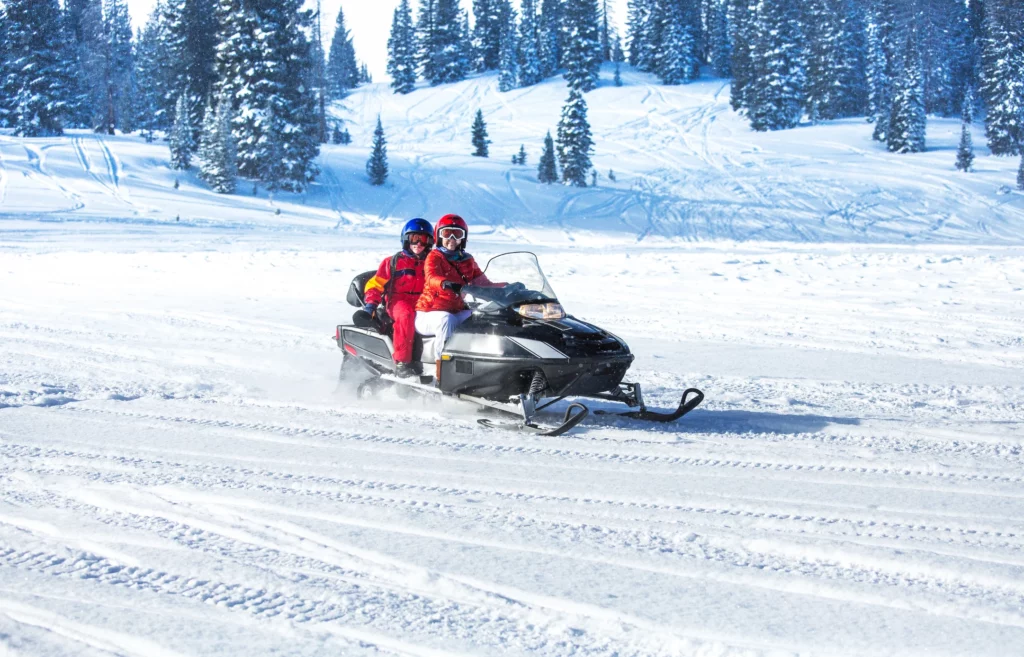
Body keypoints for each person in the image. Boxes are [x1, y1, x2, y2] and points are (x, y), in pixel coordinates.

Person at [415, 214, 491, 380]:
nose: (451, 239)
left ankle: (481, 369)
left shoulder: (467, 260)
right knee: (445, 320)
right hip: (428, 313)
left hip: (456, 310)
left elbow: (483, 282)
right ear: (438, 236)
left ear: (463, 238)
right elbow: (431, 276)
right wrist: (445, 283)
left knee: (484, 317)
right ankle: (443, 374)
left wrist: (507, 288)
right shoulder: (434, 256)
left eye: (457, 234)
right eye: (447, 233)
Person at [362, 218, 434, 377]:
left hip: (423, 301)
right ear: (406, 239)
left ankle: (433, 363)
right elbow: (375, 284)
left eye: (423, 239)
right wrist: (370, 305)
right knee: (406, 315)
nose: (419, 244)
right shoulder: (393, 262)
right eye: (414, 238)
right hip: (398, 301)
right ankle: (403, 362)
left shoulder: (431, 263)